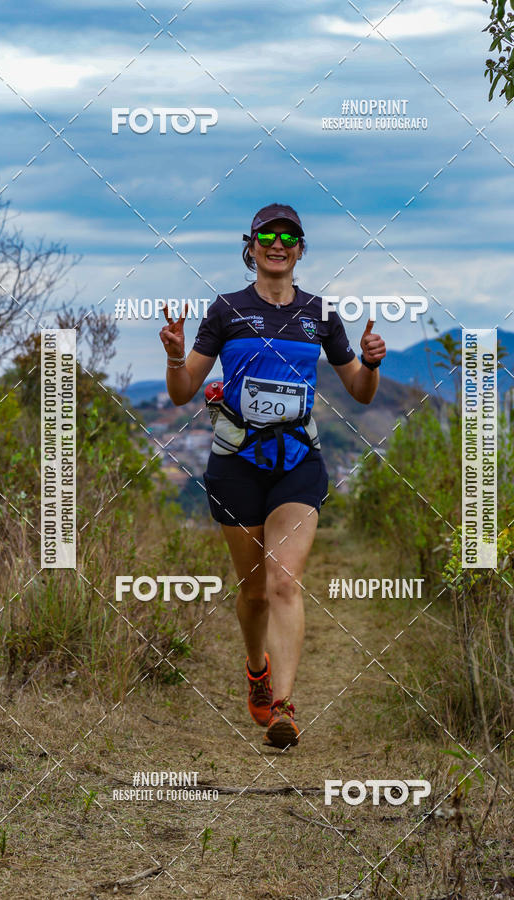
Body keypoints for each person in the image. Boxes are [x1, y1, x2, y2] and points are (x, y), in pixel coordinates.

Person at [159, 203, 386, 749]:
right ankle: (257, 669)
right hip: (236, 463)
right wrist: (172, 357)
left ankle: (283, 706)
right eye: (267, 236)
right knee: (255, 590)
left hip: (298, 463)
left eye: (289, 237)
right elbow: (183, 390)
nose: (277, 244)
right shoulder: (226, 311)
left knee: (284, 581)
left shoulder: (321, 315)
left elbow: (358, 391)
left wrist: (373, 363)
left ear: (301, 249)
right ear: (252, 245)